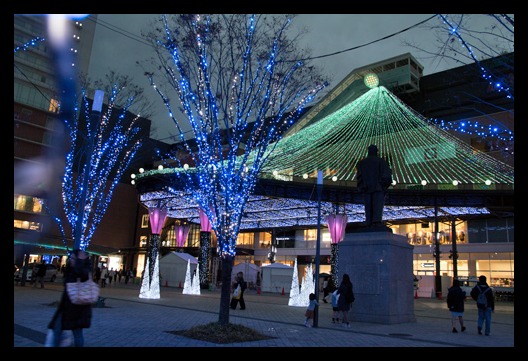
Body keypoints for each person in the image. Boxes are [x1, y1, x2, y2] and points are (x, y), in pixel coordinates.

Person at [47, 249, 93, 347]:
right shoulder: (71, 269)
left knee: (77, 334)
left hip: (78, 308)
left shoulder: (84, 269)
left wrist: (80, 261)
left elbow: (82, 275)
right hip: (66, 307)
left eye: (73, 258)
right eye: (70, 258)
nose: (70, 260)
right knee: (57, 329)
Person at [356, 144, 392, 228]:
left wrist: (362, 186)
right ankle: (376, 222)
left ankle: (368, 221)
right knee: (377, 205)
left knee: (368, 206)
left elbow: (359, 176)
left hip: (367, 188)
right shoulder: (381, 161)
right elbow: (387, 175)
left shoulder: (362, 163)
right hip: (378, 188)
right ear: (376, 151)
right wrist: (384, 185)